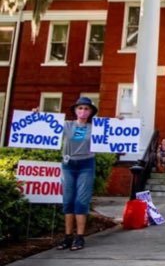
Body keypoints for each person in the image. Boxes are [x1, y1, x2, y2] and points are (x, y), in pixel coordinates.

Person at [56, 96, 98, 251]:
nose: (83, 111)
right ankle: (67, 237)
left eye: (86, 108)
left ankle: (79, 237)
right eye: (80, 108)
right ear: (75, 110)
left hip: (86, 164)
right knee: (68, 200)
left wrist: (120, 121)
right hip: (68, 164)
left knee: (81, 200)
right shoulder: (66, 125)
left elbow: (113, 134)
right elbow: (45, 126)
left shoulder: (95, 127)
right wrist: (37, 115)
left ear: (91, 112)